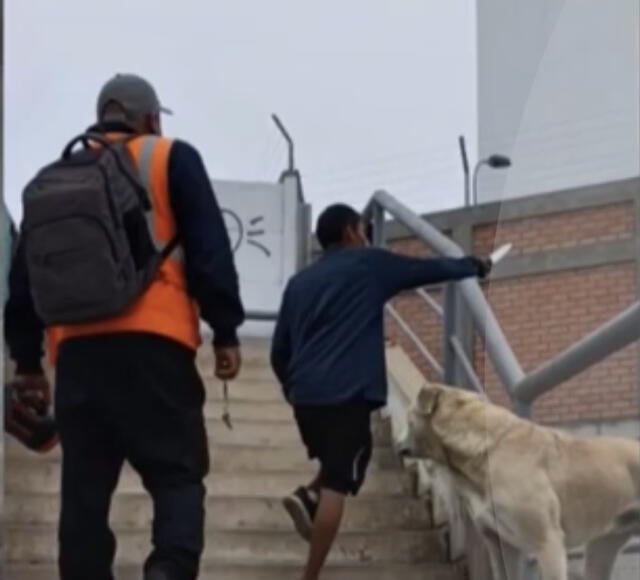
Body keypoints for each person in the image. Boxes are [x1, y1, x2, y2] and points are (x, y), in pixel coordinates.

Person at [4, 73, 245, 580]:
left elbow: (23, 277)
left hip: (77, 358)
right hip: (155, 349)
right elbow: (209, 248)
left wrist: (28, 362)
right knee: (177, 479)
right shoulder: (169, 157)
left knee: (84, 502)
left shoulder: (55, 176)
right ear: (150, 119)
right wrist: (224, 330)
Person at [270, 203, 491, 580]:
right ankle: (310, 574)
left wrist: (292, 388)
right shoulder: (368, 265)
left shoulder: (299, 283)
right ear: (351, 233)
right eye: (364, 230)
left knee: (353, 455)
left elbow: (279, 352)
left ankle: (308, 495)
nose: (368, 237)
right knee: (339, 483)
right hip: (347, 394)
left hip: (306, 398)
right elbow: (424, 270)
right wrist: (473, 266)